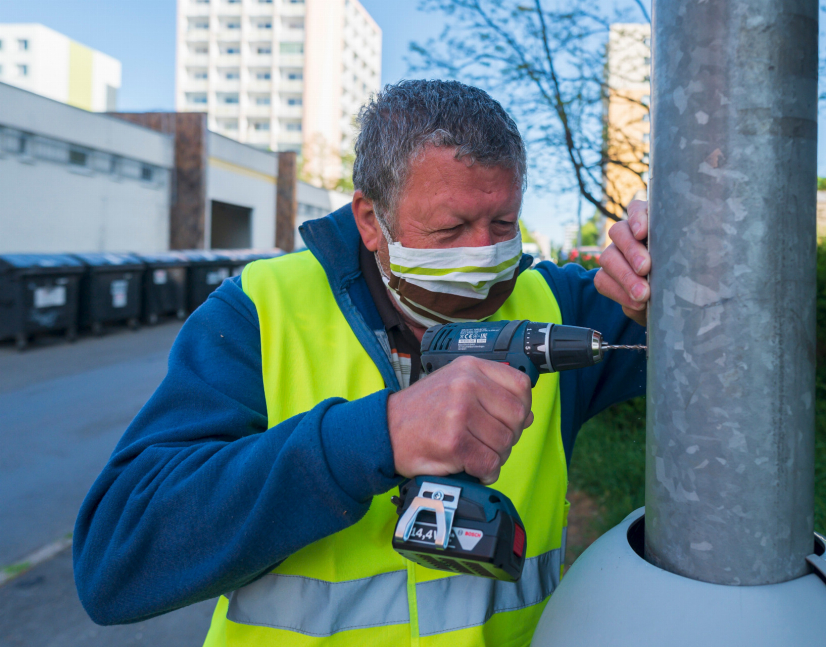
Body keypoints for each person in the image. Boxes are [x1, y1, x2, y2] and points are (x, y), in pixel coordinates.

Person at [73, 79, 652, 646]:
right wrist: (372, 439)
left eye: (502, 224)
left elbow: (721, 344)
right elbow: (116, 563)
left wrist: (673, 265)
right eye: (450, 228)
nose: (482, 253)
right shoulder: (261, 309)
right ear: (371, 220)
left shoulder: (561, 308)